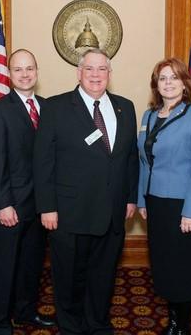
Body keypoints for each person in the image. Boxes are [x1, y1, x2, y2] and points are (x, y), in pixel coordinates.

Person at [33, 48, 139, 335]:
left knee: (103, 275)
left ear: (109, 74)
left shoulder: (125, 107)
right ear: (78, 72)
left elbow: (130, 158)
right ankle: (70, 326)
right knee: (69, 277)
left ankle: (97, 323)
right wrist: (47, 207)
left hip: (113, 211)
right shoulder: (55, 107)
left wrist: (130, 197)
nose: (95, 74)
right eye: (89, 69)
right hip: (68, 212)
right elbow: (43, 162)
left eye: (102, 69)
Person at [137, 58, 191, 335]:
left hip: (183, 205)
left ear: (185, 82)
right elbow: (144, 162)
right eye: (162, 78)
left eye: (173, 77)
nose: (168, 83)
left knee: (182, 269)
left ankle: (181, 327)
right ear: (156, 85)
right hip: (156, 204)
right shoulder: (148, 116)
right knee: (165, 265)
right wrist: (143, 199)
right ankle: (172, 320)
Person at [0, 49, 55, 334]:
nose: (25, 74)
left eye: (29, 68)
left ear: (37, 72)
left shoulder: (49, 107)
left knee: (31, 265)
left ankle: (25, 312)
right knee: (5, 267)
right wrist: (3, 204)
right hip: (11, 205)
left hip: (41, 206)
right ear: (9, 74)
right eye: (18, 69)